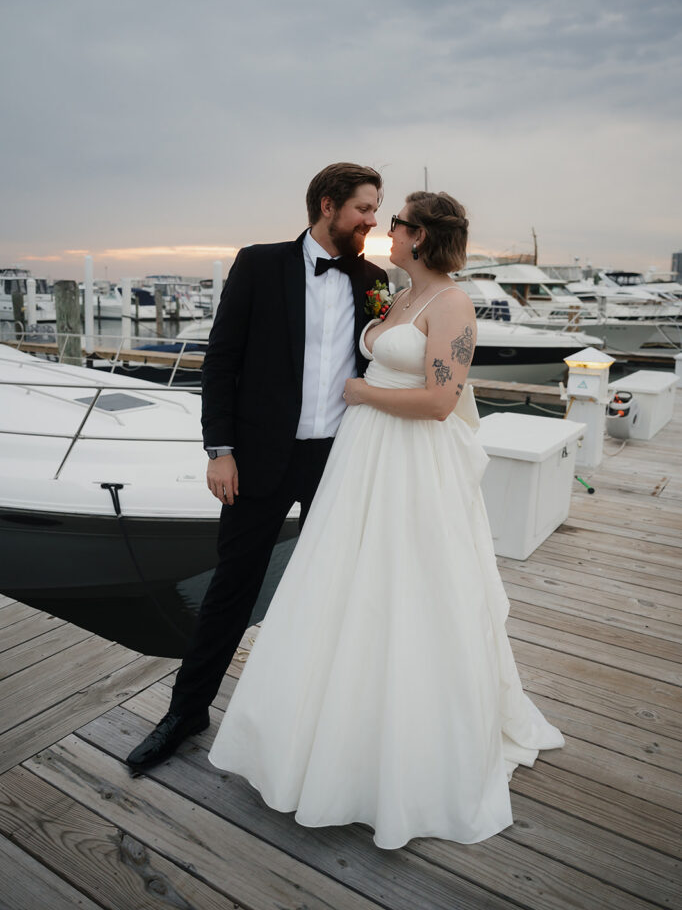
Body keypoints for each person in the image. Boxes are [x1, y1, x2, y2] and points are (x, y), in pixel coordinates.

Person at [207, 190, 565, 848]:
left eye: (396, 223)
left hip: (410, 462)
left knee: (408, 591)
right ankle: (325, 731)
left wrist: (361, 391)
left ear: (421, 236)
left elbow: (438, 401)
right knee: (343, 588)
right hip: (361, 461)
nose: (386, 230)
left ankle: (400, 753)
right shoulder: (396, 295)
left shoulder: (452, 304)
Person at [126, 162, 388, 772]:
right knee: (231, 591)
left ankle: (323, 726)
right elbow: (220, 363)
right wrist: (220, 450)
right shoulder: (259, 263)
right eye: (364, 209)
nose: (372, 220)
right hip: (259, 461)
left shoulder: (374, 279)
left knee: (337, 593)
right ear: (328, 205)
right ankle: (186, 712)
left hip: (340, 461)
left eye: (376, 210)